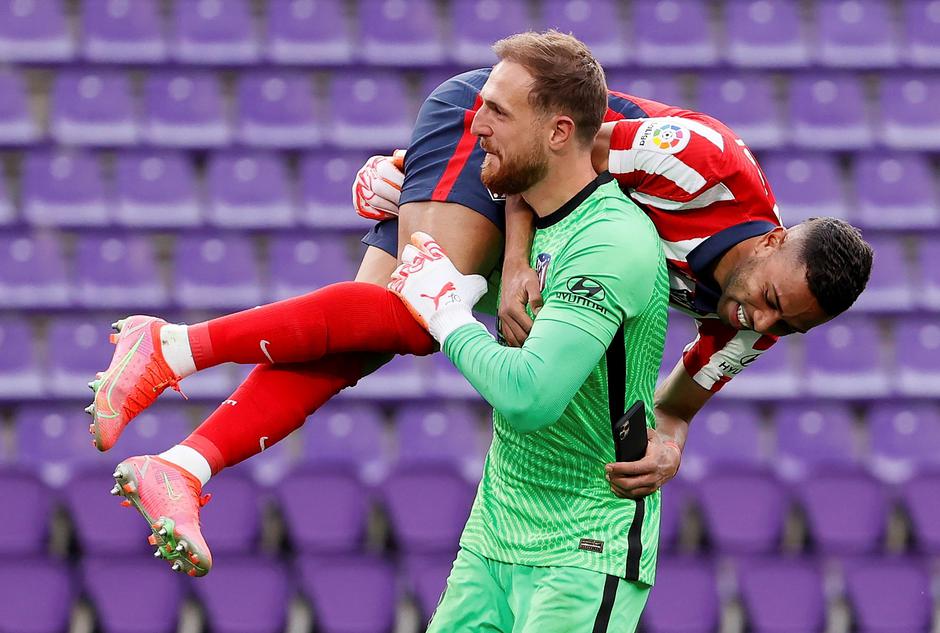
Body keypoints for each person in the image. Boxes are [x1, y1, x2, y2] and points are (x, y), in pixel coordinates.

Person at [92, 37, 874, 577]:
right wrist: (514, 258)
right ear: (772, 239)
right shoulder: (699, 166)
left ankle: (181, 465)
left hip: (520, 172)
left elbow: (685, 397)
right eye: (770, 303)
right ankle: (170, 346)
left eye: (787, 326)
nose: (761, 325)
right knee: (419, 314)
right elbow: (553, 146)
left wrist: (671, 437)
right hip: (505, 125)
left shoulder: (766, 312)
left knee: (369, 330)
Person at [385, 31, 668, 630]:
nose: (476, 123)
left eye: (496, 111)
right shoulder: (524, 211)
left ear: (559, 132)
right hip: (493, 534)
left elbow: (529, 397)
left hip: (584, 550)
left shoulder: (610, 242)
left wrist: (447, 313)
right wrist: (387, 188)